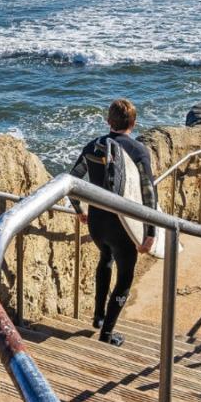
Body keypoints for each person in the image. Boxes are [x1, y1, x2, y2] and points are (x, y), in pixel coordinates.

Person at [70, 98, 157, 346]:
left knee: (105, 259)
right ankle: (107, 334)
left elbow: (72, 179)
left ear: (108, 121)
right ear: (134, 123)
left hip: (97, 222)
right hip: (124, 226)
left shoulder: (93, 145)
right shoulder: (138, 151)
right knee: (125, 279)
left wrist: (79, 210)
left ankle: (99, 317)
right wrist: (150, 232)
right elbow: (148, 192)